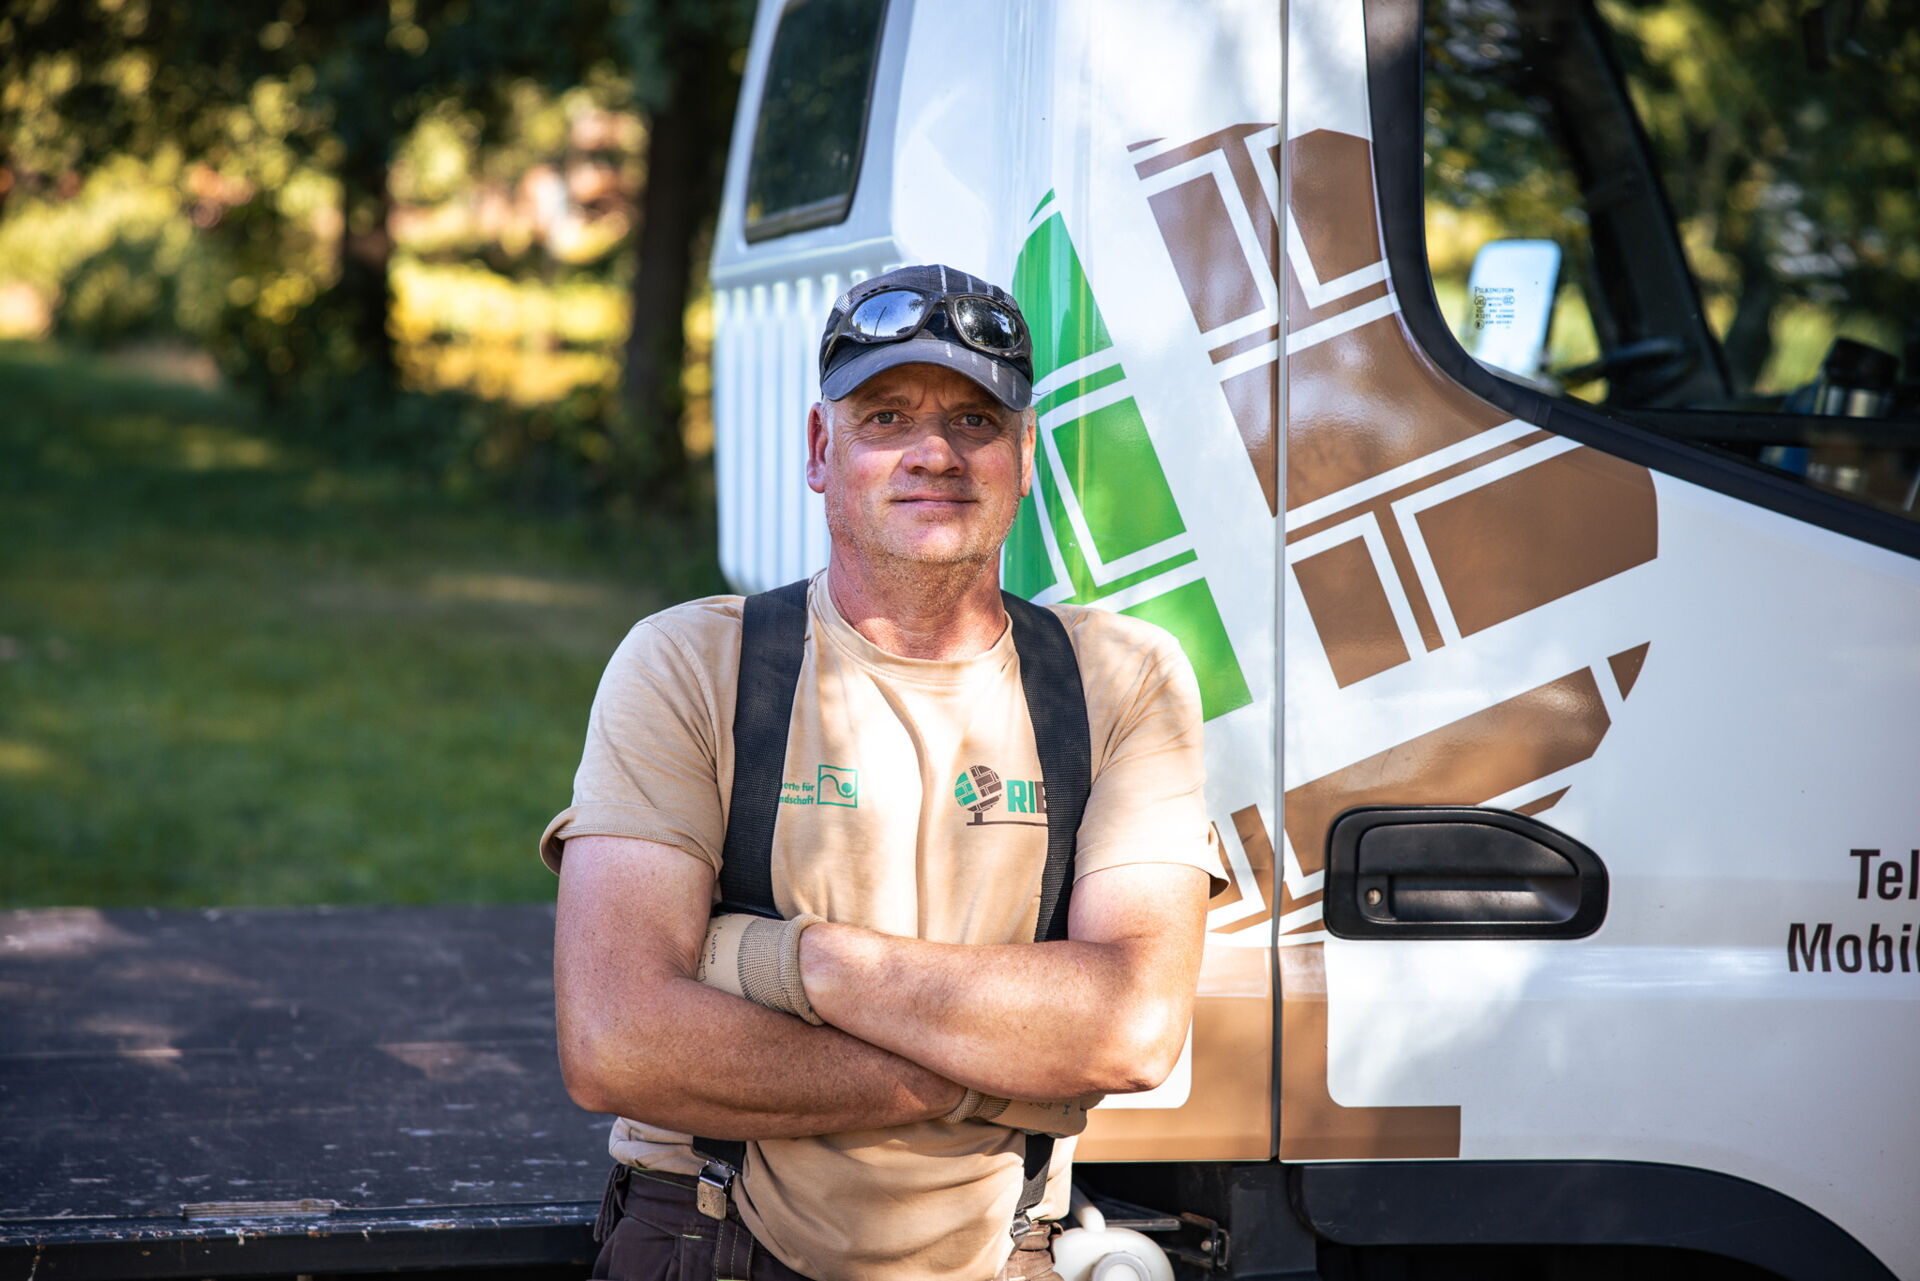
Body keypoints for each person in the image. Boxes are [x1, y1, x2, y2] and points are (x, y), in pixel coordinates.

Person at [541, 264, 1220, 1281]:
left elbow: (1131, 1029)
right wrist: (1002, 1075)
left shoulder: (1120, 677)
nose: (935, 454)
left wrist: (788, 962)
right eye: (888, 416)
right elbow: (616, 1043)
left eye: (977, 422)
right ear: (823, 450)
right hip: (711, 1240)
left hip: (1003, 1257)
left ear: (1024, 457)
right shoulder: (692, 661)